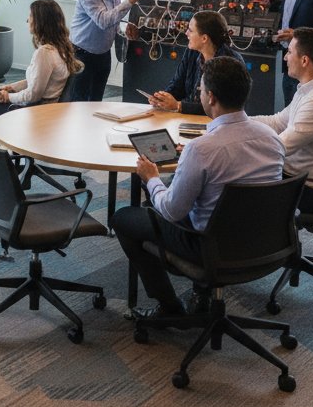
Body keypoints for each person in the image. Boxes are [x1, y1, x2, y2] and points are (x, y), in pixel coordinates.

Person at [112, 57, 284, 320]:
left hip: (210, 248)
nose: (199, 94)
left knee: (124, 218)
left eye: (201, 90)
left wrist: (151, 179)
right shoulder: (271, 138)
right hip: (264, 244)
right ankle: (201, 295)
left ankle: (169, 309)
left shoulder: (202, 149)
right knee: (200, 198)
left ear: (211, 97)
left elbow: (172, 211)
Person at [0, 0, 82, 176]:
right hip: (49, 110)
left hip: (36, 113)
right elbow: (39, 80)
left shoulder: (44, 53)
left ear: (40, 21)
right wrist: (12, 87)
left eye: (30, 16)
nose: (27, 20)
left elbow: (34, 94)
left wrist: (8, 97)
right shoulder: (61, 48)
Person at [253, 27, 313, 215]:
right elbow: (276, 122)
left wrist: (235, 139)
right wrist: (236, 122)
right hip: (293, 176)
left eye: (289, 52)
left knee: (235, 180)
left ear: (304, 60)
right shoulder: (310, 89)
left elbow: (279, 148)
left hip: (308, 189)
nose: (285, 58)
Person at [69, 0, 146, 101]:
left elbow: (113, 15)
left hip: (103, 53)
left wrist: (125, 27)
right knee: (79, 102)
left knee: (96, 100)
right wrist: (130, 0)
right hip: (81, 54)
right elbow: (103, 21)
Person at [147, 10, 243, 115]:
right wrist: (162, 99)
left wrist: (179, 106)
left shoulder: (231, 62)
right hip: (187, 117)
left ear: (204, 38)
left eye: (190, 30)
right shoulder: (191, 52)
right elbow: (177, 85)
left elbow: (220, 107)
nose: (186, 33)